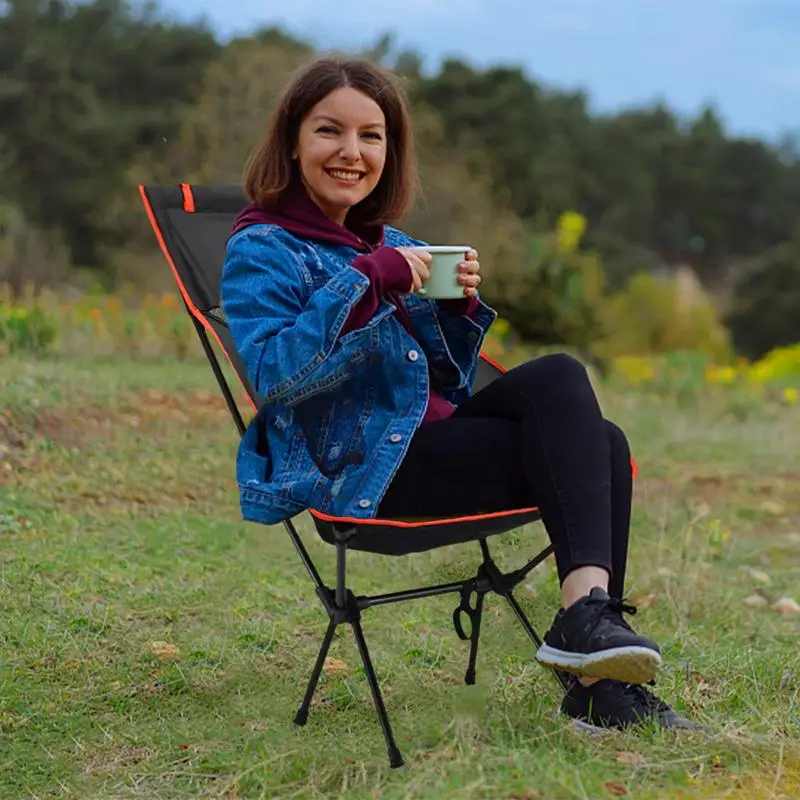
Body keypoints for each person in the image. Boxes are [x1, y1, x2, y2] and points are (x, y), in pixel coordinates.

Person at [220, 55, 694, 731]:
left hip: (427, 450)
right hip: (362, 470)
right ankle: (590, 648)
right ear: (293, 141)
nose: (352, 152)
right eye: (330, 131)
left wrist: (453, 313)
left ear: (392, 149)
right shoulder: (263, 249)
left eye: (372, 136)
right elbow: (276, 378)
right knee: (575, 401)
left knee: (597, 430)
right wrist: (371, 278)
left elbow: (441, 386)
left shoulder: (398, 244)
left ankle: (592, 657)